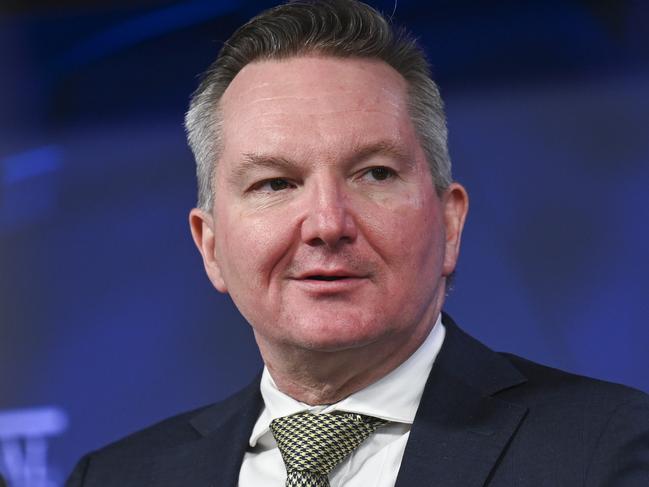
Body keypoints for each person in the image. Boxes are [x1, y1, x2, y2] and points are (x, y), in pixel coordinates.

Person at [66, 1, 649, 485]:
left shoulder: (611, 449)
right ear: (210, 244)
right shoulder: (116, 477)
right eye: (275, 182)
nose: (327, 223)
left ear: (449, 225)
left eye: (374, 173)